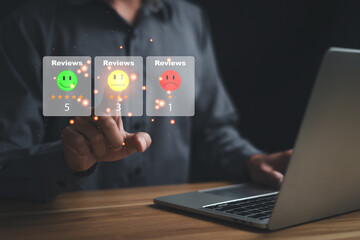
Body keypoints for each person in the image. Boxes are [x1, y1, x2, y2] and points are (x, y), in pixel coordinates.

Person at [0, 0, 292, 202]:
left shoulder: (190, 20)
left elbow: (211, 130)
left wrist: (251, 161)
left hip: (171, 225)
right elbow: (6, 159)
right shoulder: (28, 27)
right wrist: (67, 159)